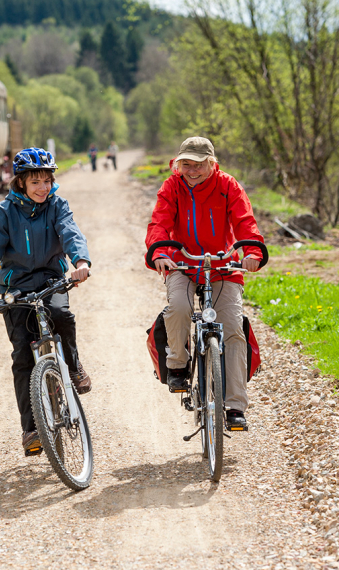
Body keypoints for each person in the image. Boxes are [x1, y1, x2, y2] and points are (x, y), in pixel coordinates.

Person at [0, 147, 93, 456]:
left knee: (61, 317)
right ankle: (31, 429)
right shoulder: (2, 213)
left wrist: (79, 261)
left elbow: (71, 233)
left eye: (47, 181)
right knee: (23, 357)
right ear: (21, 183)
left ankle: (74, 367)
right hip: (16, 289)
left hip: (51, 279)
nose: (42, 188)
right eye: (35, 182)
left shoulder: (57, 206)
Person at [144, 136, 264, 431]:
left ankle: (235, 406)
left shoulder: (228, 186)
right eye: (187, 163)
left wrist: (251, 251)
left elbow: (245, 221)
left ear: (212, 163)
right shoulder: (172, 186)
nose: (192, 169)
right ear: (178, 163)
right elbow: (159, 222)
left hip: (222, 265)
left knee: (233, 328)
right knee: (179, 308)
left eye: (199, 164)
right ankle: (178, 364)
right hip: (182, 263)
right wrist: (159, 252)